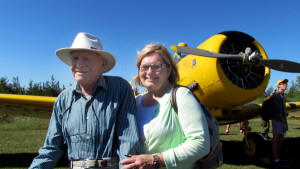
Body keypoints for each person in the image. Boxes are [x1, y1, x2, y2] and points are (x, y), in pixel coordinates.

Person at [29, 32, 140, 169]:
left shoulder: (120, 88)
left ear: (102, 64)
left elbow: (128, 141)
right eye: (74, 59)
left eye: (86, 58)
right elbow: (52, 147)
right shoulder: (63, 99)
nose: (78, 64)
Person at [120, 44, 210, 169]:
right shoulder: (135, 101)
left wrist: (155, 160)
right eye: (144, 67)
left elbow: (200, 143)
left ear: (169, 70)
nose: (149, 72)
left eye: (156, 66)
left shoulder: (181, 95)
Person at [271, 79, 289, 168]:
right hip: (277, 120)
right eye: (283, 83)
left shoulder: (282, 96)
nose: (285, 85)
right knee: (276, 139)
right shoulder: (277, 96)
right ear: (278, 85)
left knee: (280, 139)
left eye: (285, 83)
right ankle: (276, 159)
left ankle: (278, 157)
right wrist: (284, 123)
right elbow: (278, 111)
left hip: (281, 120)